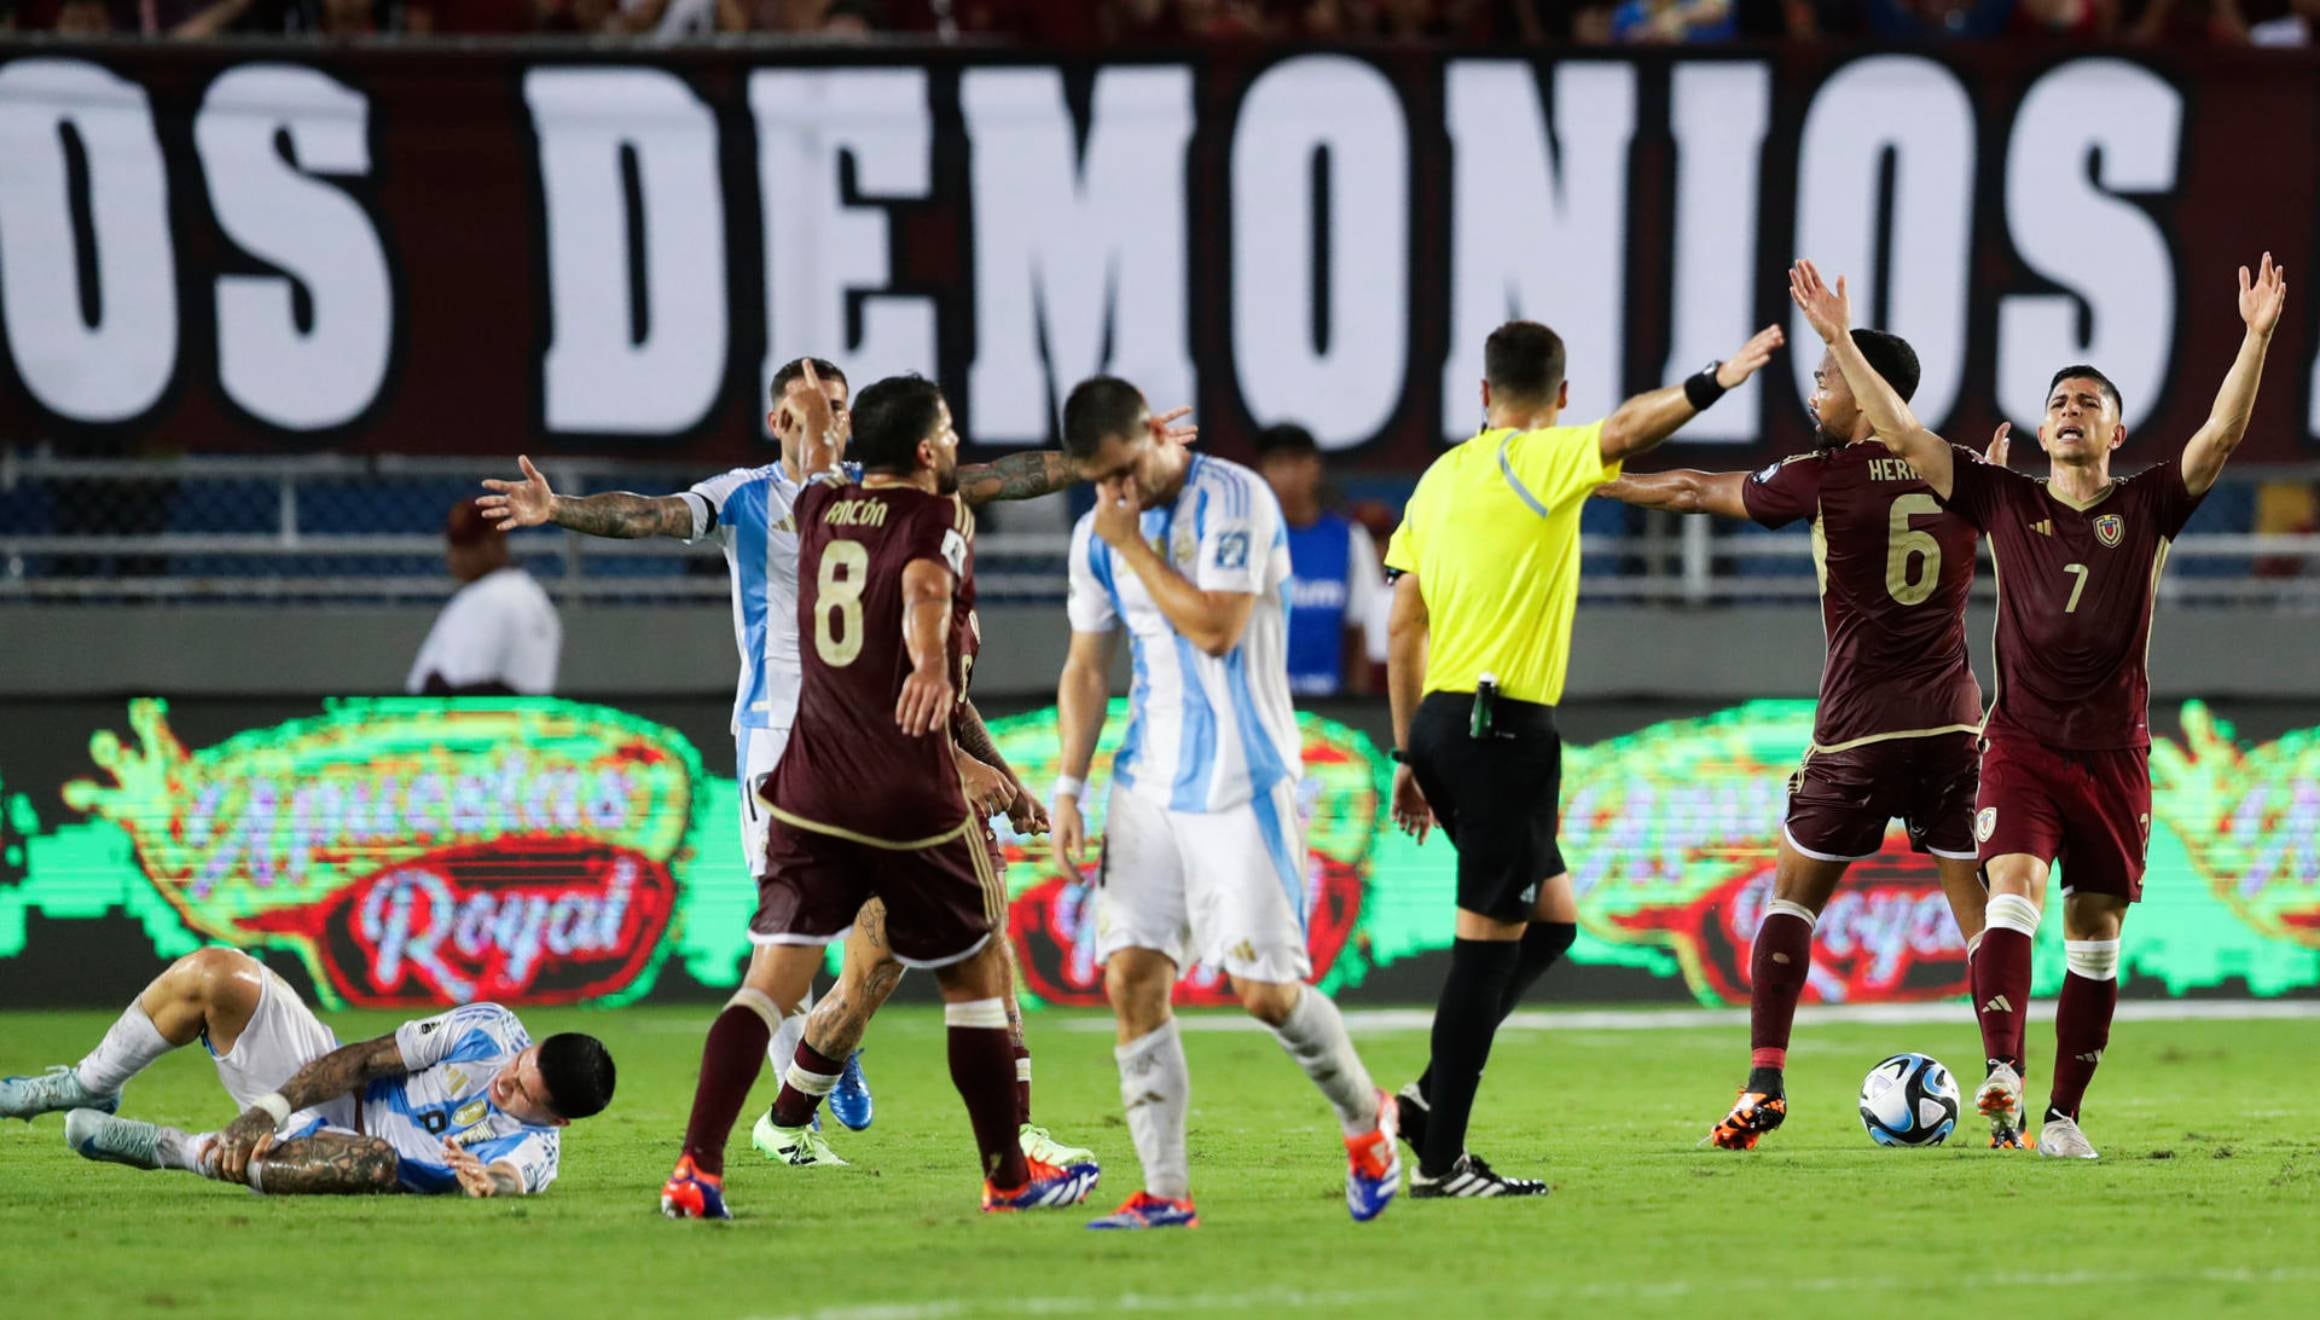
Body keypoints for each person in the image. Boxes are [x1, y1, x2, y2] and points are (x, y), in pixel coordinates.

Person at [480, 359, 1147, 1176]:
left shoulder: (855, 496)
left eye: (840, 407)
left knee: (877, 956)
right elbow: (651, 513)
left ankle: (807, 1080)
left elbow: (997, 484)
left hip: (875, 745)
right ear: (782, 422)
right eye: (815, 408)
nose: (832, 421)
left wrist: (1093, 459)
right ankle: (820, 1112)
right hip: (784, 743)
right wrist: (560, 510)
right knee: (832, 954)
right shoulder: (759, 497)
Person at [1788, 252, 2287, 1157]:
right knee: (2010, 891)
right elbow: (1901, 431)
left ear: (2115, 430)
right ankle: (2003, 1073)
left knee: (2094, 937)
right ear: (2045, 425)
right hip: (2019, 745)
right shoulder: (2002, 497)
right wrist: (1838, 342)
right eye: (2058, 401)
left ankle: (2063, 1117)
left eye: (2087, 402)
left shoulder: (2148, 506)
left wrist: (2254, 338)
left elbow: (2220, 434)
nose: (2069, 411)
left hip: (2114, 753)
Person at [661, 374, 1100, 1219]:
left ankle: (697, 1168)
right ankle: (1010, 1176)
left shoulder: (820, 504)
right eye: (951, 433)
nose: (960, 445)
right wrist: (932, 663)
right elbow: (928, 587)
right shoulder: (939, 516)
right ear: (929, 451)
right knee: (978, 975)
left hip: (809, 785)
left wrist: (814, 420)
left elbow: (823, 456)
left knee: (770, 983)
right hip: (902, 786)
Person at [1384, 317, 1783, 1195]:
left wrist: (1408, 751)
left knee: (1554, 920)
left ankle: (1428, 1100)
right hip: (1501, 729)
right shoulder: (1540, 458)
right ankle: (1440, 1160)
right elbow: (1630, 428)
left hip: (1447, 723)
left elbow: (1404, 622)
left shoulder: (1441, 477)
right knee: (1485, 946)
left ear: (1482, 392)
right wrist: (1716, 379)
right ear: (1561, 396)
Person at [1594, 327, 1996, 1149]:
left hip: (1859, 732)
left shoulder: (1827, 475)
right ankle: (2008, 1089)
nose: (1815, 396)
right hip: (1954, 726)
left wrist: (1597, 483)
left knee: (1790, 902)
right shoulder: (1959, 470)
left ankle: (1764, 1084)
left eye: (1825, 380)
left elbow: (1693, 491)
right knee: (1983, 922)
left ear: (1865, 391)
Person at [1052, 376, 1399, 1231]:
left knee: (1265, 994)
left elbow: (1216, 628)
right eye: (1100, 481)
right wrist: (1068, 785)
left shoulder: (1234, 498)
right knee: (1131, 976)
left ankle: (1368, 1118)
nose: (1117, 491)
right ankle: (1165, 1191)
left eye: (1125, 469)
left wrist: (1132, 546)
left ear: (1156, 432)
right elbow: (1088, 666)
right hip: (1146, 784)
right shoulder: (1098, 533)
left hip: (1245, 782)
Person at [0, 947, 614, 1197]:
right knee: (219, 973)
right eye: (519, 1065)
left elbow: (512, 1178)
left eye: (521, 1094)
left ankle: (173, 1149)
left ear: (556, 1119)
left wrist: (490, 1182)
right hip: (330, 1090)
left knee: (378, 1163)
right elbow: (365, 1058)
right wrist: (271, 1108)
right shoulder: (491, 1030)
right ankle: (88, 1084)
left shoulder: (536, 1149)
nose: (504, 1080)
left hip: (340, 1158)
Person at [1255, 423, 1386, 698]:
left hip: (1330, 705)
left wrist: (1358, 707)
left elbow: (1359, 631)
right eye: (1278, 463)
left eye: (1298, 462)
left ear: (1316, 467)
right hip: (1265, 702)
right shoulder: (1251, 540)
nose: (1290, 475)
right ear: (1263, 471)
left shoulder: (1350, 538)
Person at [405, 499, 561, 696]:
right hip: (530, 712)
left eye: (465, 546)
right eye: (454, 545)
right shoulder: (534, 596)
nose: (454, 556)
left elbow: (464, 687)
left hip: (481, 715)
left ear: (492, 543)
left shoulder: (488, 597)